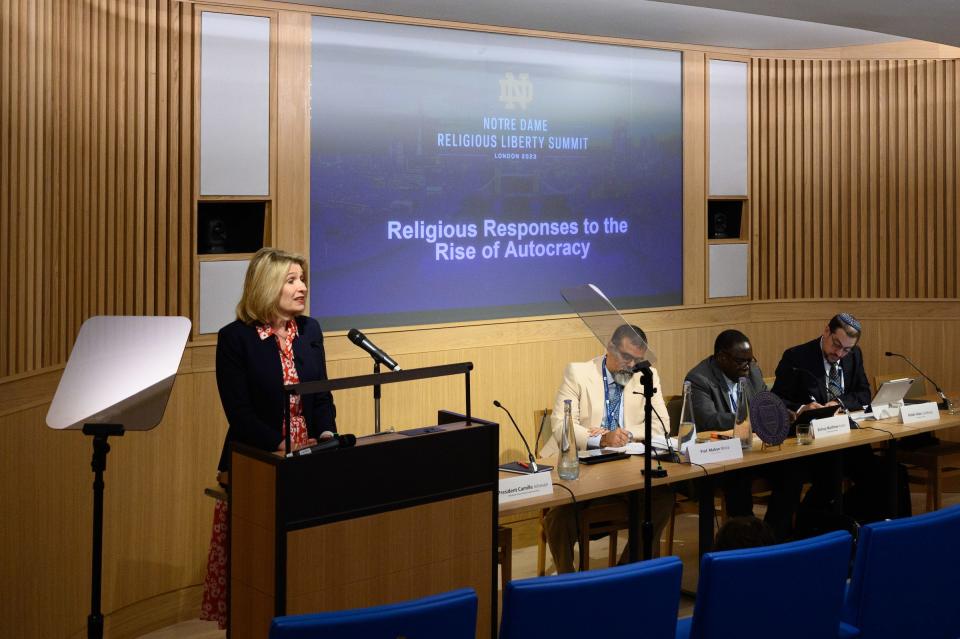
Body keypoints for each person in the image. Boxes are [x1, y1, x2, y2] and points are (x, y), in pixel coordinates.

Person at [200, 247, 337, 628]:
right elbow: (238, 412)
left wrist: (326, 436)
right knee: (259, 566)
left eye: (302, 279)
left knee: (305, 559)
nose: (303, 287)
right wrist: (283, 448)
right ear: (267, 286)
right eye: (292, 280)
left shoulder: (310, 330)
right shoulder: (235, 338)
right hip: (258, 461)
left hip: (310, 459)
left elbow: (322, 394)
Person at [542, 324, 674, 573]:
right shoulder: (579, 373)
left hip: (627, 469)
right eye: (626, 357)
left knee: (663, 499)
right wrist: (601, 440)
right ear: (609, 348)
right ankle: (568, 582)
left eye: (637, 360)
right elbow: (560, 424)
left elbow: (662, 426)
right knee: (558, 520)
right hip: (583, 467)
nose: (630, 365)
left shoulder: (647, 375)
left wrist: (624, 434)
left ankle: (625, 573)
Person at [771, 313, 907, 528]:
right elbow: (776, 399)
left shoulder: (853, 356)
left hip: (847, 439)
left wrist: (838, 402)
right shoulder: (797, 357)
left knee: (887, 475)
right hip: (810, 444)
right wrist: (801, 408)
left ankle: (864, 528)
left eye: (846, 349)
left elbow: (863, 393)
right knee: (828, 480)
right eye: (836, 345)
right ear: (826, 331)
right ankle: (813, 521)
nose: (839, 353)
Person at [685, 329, 803, 541]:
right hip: (721, 455)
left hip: (752, 450)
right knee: (738, 478)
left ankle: (772, 538)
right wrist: (751, 419)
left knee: (792, 470)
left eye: (750, 360)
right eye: (741, 361)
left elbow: (764, 404)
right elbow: (708, 420)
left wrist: (776, 413)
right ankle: (747, 542)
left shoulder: (752, 372)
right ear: (722, 358)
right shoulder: (698, 379)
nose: (748, 366)